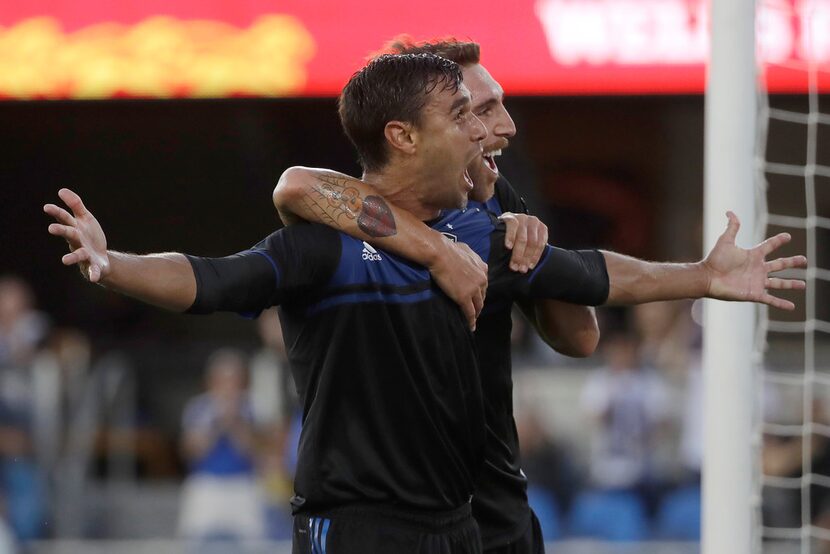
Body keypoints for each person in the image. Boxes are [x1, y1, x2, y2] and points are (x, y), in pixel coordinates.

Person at [45, 53, 616, 553]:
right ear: (404, 136)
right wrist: (114, 263)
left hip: (457, 525)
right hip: (354, 527)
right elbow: (211, 279)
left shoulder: (475, 238)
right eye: (462, 114)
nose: (485, 132)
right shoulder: (323, 248)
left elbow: (600, 273)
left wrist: (700, 275)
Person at [271, 38, 808, 553]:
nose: (503, 126)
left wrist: (535, 255)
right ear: (411, 131)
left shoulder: (495, 206)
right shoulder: (346, 216)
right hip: (398, 518)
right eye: (477, 110)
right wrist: (438, 251)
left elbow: (580, 337)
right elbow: (296, 185)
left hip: (498, 511)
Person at [178, 348, 265, 544]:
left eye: (233, 380)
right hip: (206, 484)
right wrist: (216, 424)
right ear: (211, 382)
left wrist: (235, 423)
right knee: (194, 540)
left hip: (243, 484)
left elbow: (257, 453)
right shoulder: (198, 407)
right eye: (222, 380)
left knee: (256, 542)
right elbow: (191, 452)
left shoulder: (252, 406)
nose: (228, 386)